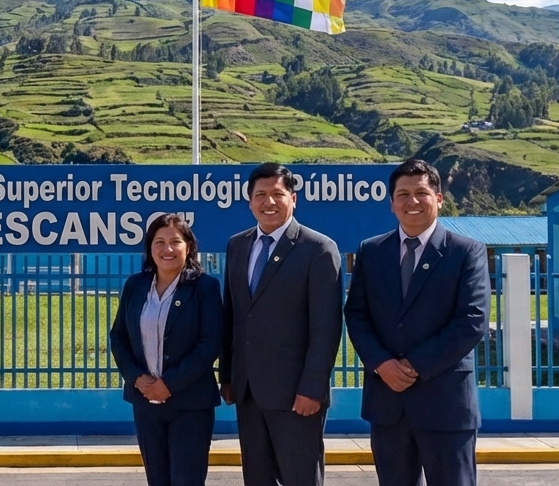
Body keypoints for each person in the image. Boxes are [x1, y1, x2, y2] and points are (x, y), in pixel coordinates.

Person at [343, 159, 491, 486]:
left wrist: (413, 366)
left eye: (421, 193)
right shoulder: (371, 251)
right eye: (403, 194)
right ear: (391, 203)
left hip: (446, 403)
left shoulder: (466, 252)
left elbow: (472, 320)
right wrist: (382, 364)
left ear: (438, 198)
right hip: (387, 405)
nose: (412, 201)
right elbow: (356, 314)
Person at [220, 162, 344, 485]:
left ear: (293, 199)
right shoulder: (237, 246)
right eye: (260, 195)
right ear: (249, 202)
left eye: (277, 194)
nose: (269, 202)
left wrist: (312, 389)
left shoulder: (318, 249)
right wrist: (228, 377)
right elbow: (233, 316)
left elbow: (326, 328)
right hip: (248, 393)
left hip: (296, 397)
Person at [109, 214, 223, 486]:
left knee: (186, 480)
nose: (167, 249)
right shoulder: (135, 286)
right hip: (145, 402)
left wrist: (169, 384)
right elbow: (119, 337)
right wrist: (137, 378)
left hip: (190, 404)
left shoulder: (205, 287)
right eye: (159, 242)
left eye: (175, 241)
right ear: (150, 248)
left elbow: (210, 343)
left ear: (189, 247)